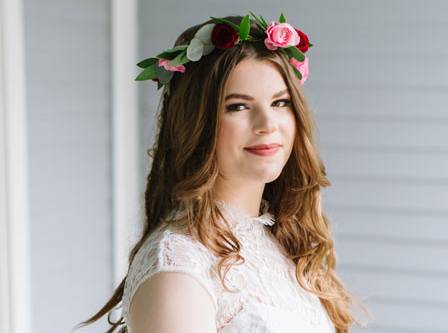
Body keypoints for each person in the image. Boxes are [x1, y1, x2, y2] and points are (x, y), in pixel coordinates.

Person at [76, 11, 371, 333]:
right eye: (238, 106)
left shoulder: (279, 239)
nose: (267, 125)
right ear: (196, 123)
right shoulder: (178, 269)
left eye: (280, 103)